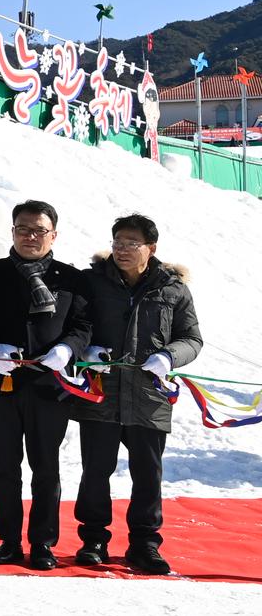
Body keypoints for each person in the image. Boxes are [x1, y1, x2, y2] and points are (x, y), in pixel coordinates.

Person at [72, 214, 201, 576]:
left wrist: (168, 356)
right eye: (118, 242)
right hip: (101, 393)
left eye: (132, 243)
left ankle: (144, 543)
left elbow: (192, 339)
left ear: (151, 248)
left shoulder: (173, 290)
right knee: (96, 470)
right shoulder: (91, 283)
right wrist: (86, 352)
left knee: (148, 473)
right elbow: (75, 325)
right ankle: (93, 539)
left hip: (149, 397)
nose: (123, 250)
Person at [0, 199, 91, 570]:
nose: (31, 236)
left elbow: (82, 327)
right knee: (4, 466)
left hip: (50, 387)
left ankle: (43, 542)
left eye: (39, 230)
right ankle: (8, 541)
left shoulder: (71, 278)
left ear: (53, 234)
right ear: (12, 232)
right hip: (3, 385)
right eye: (23, 229)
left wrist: (66, 350)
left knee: (46, 467)